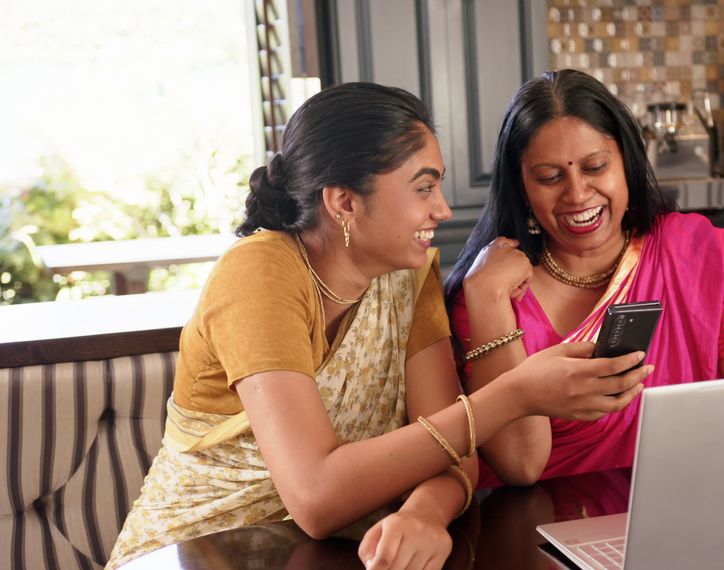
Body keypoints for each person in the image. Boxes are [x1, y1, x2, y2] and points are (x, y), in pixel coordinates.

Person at [106, 82, 653, 570]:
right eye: (423, 187)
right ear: (344, 201)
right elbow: (318, 498)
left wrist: (421, 515)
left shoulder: (406, 276)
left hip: (343, 555)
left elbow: (454, 454)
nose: (441, 209)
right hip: (204, 551)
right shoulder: (260, 273)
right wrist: (513, 395)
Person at [444, 69, 724, 488]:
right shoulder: (491, 291)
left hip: (687, 507)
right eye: (550, 177)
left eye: (595, 167)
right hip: (538, 532)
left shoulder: (692, 254)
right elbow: (521, 464)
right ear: (521, 189)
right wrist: (487, 298)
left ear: (627, 161)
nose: (576, 194)